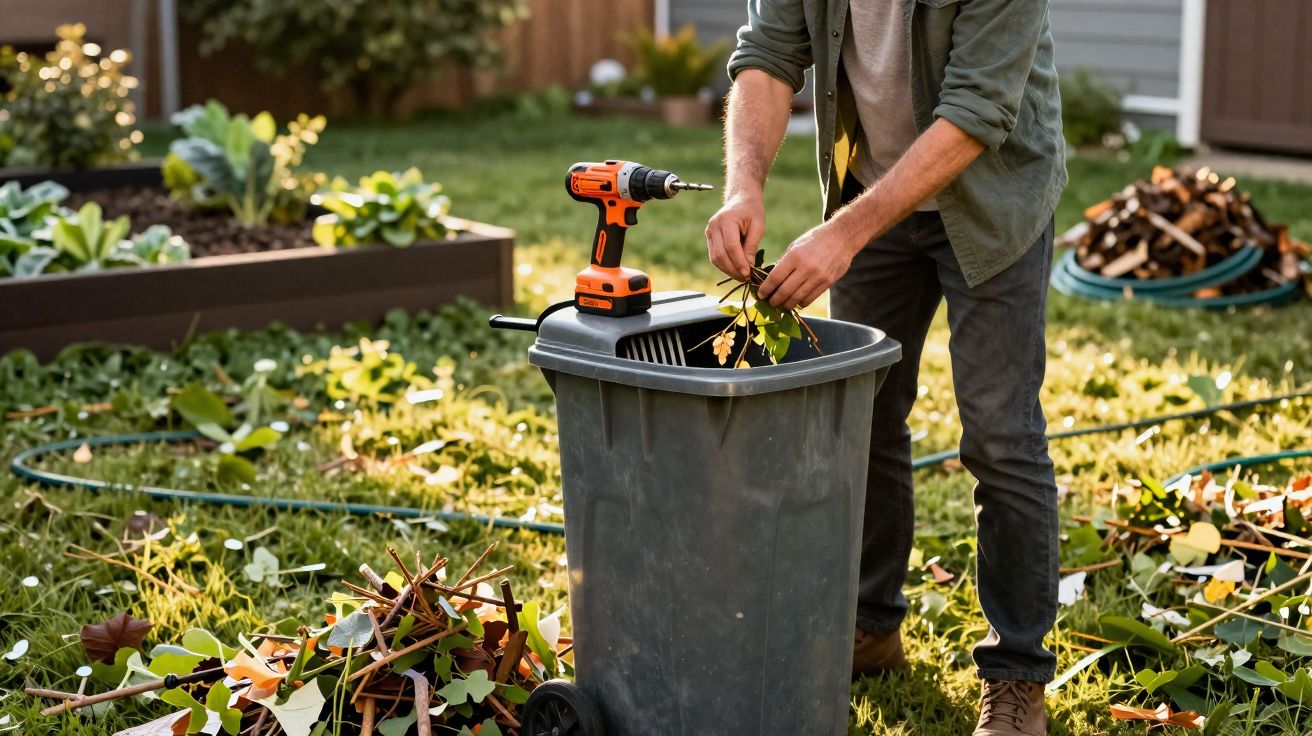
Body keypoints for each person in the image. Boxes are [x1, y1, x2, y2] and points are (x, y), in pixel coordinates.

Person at [703, 1, 1067, 734]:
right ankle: (870, 626)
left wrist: (844, 234)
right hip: (868, 194)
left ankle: (1017, 672)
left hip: (992, 201)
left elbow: (978, 109)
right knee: (861, 417)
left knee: (999, 433)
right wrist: (744, 184)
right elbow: (769, 56)